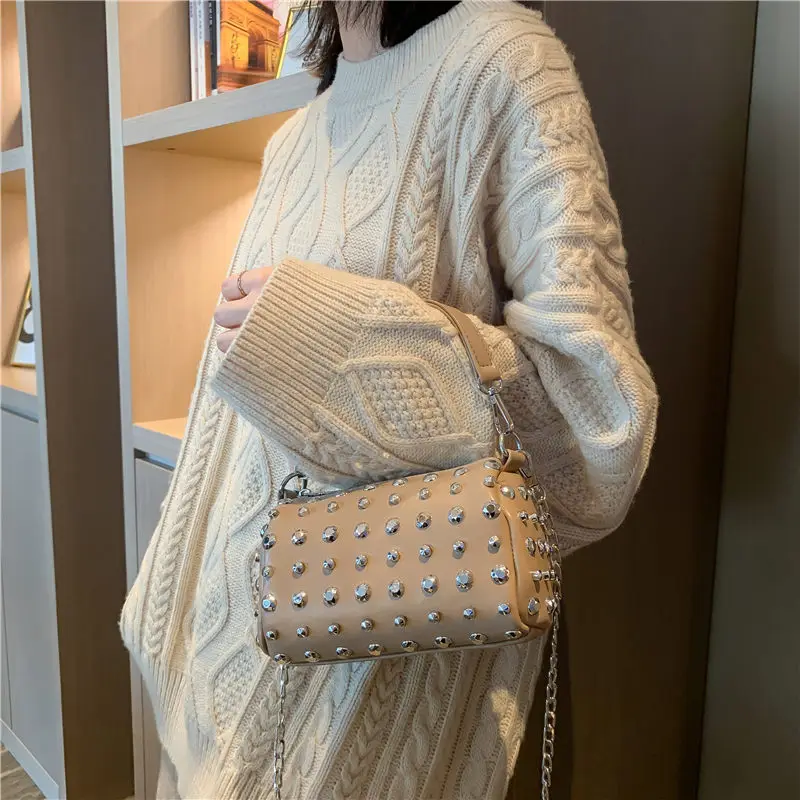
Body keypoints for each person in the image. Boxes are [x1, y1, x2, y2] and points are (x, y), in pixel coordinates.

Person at [121, 2, 658, 798]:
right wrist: (162, 614)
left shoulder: (505, 62)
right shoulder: (295, 137)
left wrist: (338, 346)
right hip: (202, 685)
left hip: (350, 743)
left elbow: (597, 436)